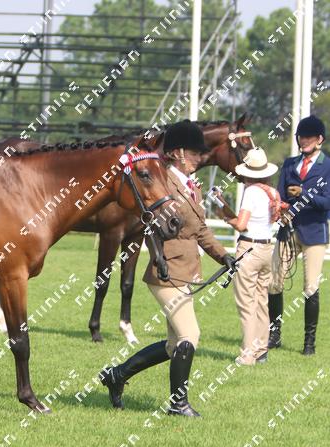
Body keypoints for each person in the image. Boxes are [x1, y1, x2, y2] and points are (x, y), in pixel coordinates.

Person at [99, 120, 236, 417]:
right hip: (166, 271)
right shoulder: (163, 182)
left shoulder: (190, 186)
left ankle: (117, 375)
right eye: (194, 153)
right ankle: (178, 404)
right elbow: (149, 222)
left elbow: (200, 230)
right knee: (190, 335)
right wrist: (157, 256)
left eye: (200, 153)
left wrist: (224, 256)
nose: (199, 158)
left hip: (185, 270)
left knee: (175, 345)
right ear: (177, 152)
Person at [268, 114, 330, 355]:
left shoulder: (327, 166)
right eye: (301, 136)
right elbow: (280, 196)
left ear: (319, 139)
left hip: (314, 232)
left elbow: (327, 202)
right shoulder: (289, 164)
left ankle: (309, 342)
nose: (302, 140)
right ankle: (274, 335)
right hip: (287, 230)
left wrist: (304, 193)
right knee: (274, 282)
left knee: (310, 286)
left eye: (308, 137)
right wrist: (280, 210)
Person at [220, 147, 280, 365]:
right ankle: (261, 350)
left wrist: (225, 215)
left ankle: (247, 354)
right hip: (267, 249)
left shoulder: (251, 192)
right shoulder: (272, 191)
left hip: (249, 248)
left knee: (246, 303)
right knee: (261, 300)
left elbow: (242, 225)